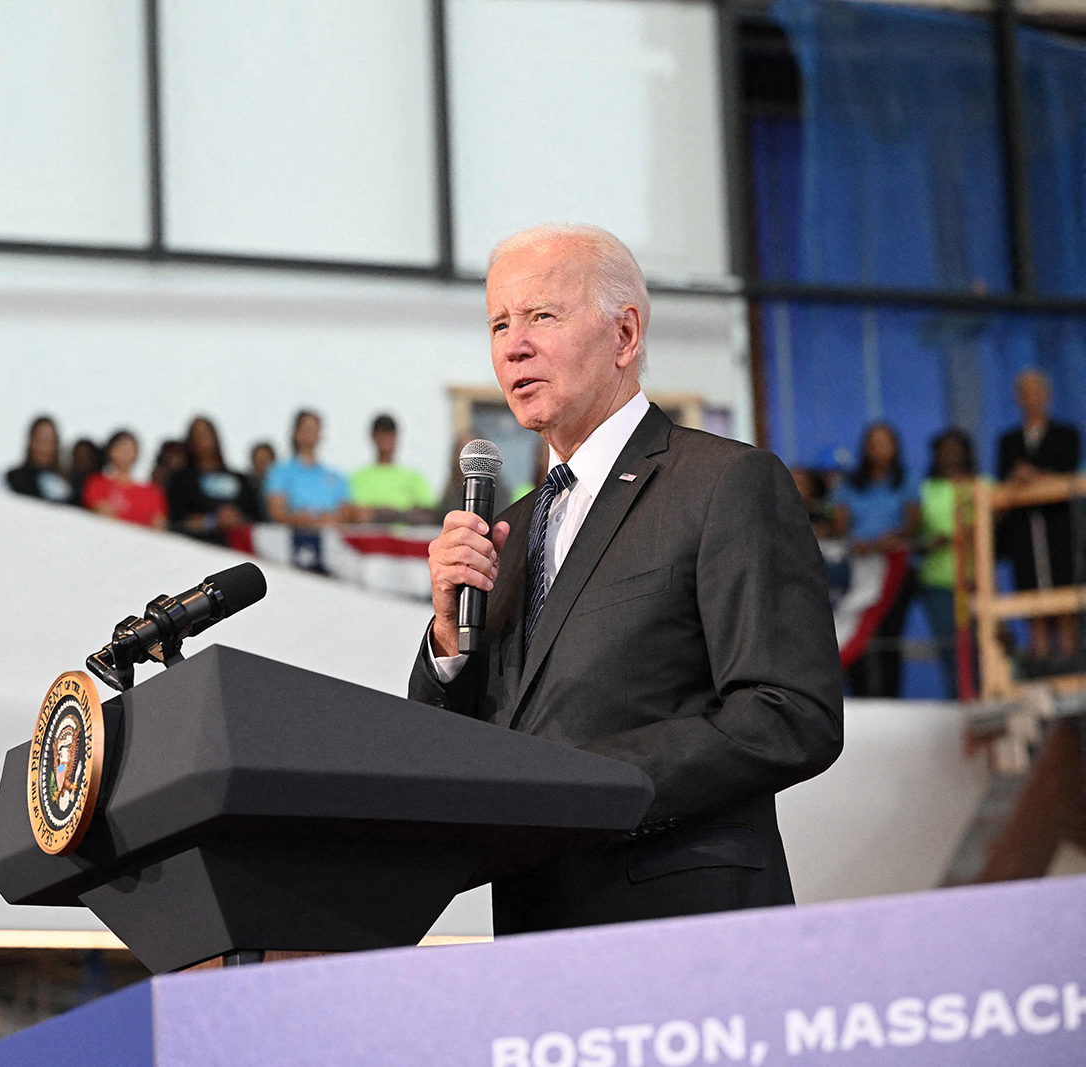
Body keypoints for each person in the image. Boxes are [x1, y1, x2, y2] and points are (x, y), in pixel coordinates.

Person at [414, 223, 841, 934]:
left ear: (625, 333)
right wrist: (445, 639)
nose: (513, 344)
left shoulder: (723, 482)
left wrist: (584, 785)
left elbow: (790, 712)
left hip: (681, 925)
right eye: (498, 323)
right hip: (536, 934)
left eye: (541, 315)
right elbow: (450, 745)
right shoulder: (510, 531)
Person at [997, 369, 1080, 662]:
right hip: (1024, 533)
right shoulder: (1008, 440)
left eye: (1036, 391)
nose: (1030, 398)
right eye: (1024, 392)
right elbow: (1002, 481)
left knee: (1065, 596)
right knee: (1032, 597)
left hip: (1059, 527)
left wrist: (1035, 476)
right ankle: (1041, 662)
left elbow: (1068, 472)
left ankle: (1070, 662)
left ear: (1047, 395)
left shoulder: (1066, 434)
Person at [832, 422, 920, 697]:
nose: (878, 448)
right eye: (873, 442)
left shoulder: (906, 480)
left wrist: (890, 539)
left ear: (895, 447)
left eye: (884, 442)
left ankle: (890, 698)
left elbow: (914, 524)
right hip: (859, 568)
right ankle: (862, 696)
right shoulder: (850, 483)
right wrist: (856, 541)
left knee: (888, 635)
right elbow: (839, 527)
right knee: (856, 631)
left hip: (894, 567)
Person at [919, 430, 980, 698]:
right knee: (950, 648)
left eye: (956, 449)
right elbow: (914, 532)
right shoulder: (925, 489)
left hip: (976, 580)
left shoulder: (982, 484)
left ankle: (982, 699)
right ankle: (958, 704)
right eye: (944, 449)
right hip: (938, 582)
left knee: (980, 647)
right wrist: (929, 542)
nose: (950, 455)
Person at [166, 416, 260, 545]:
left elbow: (257, 519)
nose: (203, 439)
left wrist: (237, 520)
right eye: (198, 435)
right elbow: (175, 521)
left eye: (207, 433)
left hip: (238, 549)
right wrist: (211, 521)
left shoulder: (242, 480)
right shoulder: (180, 480)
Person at [262, 410, 352, 526]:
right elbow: (276, 512)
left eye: (314, 429)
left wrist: (327, 520)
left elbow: (347, 513)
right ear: (296, 433)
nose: (310, 433)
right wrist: (300, 519)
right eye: (306, 429)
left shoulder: (336, 475)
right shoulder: (279, 472)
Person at [349, 413, 436, 523]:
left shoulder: (414, 477)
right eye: (381, 434)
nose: (385, 439)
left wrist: (381, 513)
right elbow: (358, 515)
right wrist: (402, 513)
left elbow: (428, 514)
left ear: (397, 437)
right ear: (373, 437)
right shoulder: (357, 478)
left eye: (389, 434)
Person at [82, 430, 167, 528]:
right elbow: (101, 513)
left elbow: (158, 523)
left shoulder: (152, 492)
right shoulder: (97, 483)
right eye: (120, 448)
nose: (124, 453)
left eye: (130, 449)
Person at [7, 416, 74, 503]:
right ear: (31, 441)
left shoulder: (68, 482)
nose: (45, 446)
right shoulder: (14, 479)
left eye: (50, 440)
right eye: (41, 439)